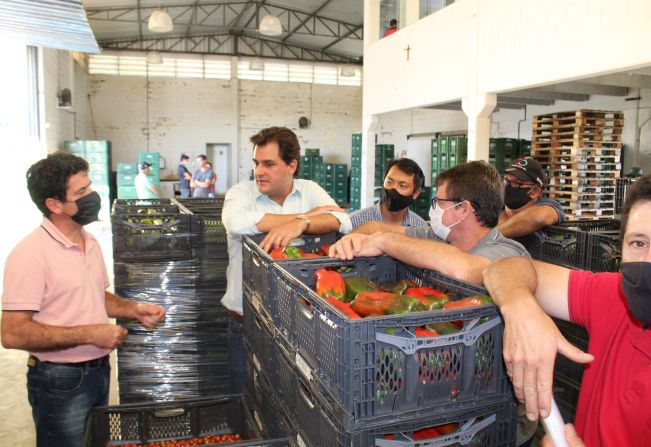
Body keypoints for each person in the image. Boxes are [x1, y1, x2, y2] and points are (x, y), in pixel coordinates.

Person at [1, 151, 165, 447]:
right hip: (59, 381)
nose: (93, 195)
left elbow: (95, 296)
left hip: (98, 371)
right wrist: (90, 333)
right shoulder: (29, 255)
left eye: (90, 186)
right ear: (54, 204)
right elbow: (13, 333)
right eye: (82, 192)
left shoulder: (88, 241)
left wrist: (134, 310)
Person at [482, 174, 651, 446]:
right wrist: (520, 307)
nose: (648, 261)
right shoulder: (614, 297)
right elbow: (504, 267)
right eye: (638, 243)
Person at [221, 126, 352, 393]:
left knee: (286, 397)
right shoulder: (241, 193)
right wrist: (304, 219)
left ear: (292, 166)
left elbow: (342, 220)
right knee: (244, 393)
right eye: (257, 163)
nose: (259, 171)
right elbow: (236, 223)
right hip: (246, 320)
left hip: (297, 327)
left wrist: (301, 223)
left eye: (269, 164)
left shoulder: (309, 190)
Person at [330, 161, 529, 285]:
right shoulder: (438, 238)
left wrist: (384, 242)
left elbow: (464, 268)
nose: (433, 209)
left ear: (463, 209)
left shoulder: (507, 253)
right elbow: (376, 227)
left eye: (439, 202)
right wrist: (354, 239)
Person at [497, 156, 565, 245]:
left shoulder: (546, 205)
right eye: (506, 180)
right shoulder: (496, 208)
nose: (507, 185)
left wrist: (492, 236)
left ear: (534, 192)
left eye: (516, 183)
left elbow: (541, 217)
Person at [349, 158, 428, 230]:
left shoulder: (421, 229)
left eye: (402, 186)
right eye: (389, 182)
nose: (393, 188)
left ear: (416, 193)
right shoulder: (354, 222)